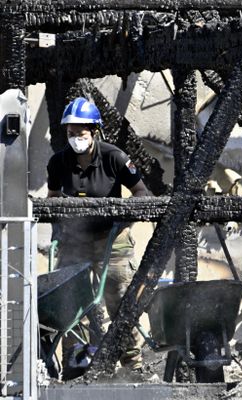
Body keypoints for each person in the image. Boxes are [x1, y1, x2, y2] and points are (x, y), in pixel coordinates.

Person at [46, 97, 149, 376]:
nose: (76, 137)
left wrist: (124, 220)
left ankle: (132, 365)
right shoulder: (58, 162)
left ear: (94, 131)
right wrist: (58, 228)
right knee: (69, 298)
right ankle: (76, 362)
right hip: (76, 239)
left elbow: (142, 194)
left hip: (111, 238)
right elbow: (52, 199)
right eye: (71, 132)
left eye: (81, 132)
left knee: (118, 295)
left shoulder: (114, 157)